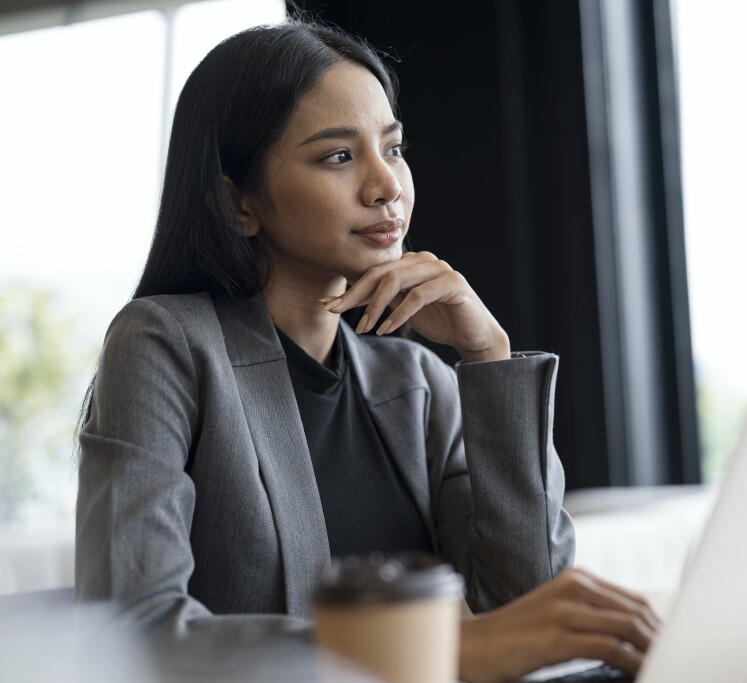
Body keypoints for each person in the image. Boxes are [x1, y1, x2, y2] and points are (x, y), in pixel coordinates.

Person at [75, 19, 658, 683]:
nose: (388, 186)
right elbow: (129, 631)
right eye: (338, 157)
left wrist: (488, 357)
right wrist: (435, 654)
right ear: (239, 203)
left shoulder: (416, 381)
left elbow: (528, 602)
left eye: (394, 148)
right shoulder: (164, 342)